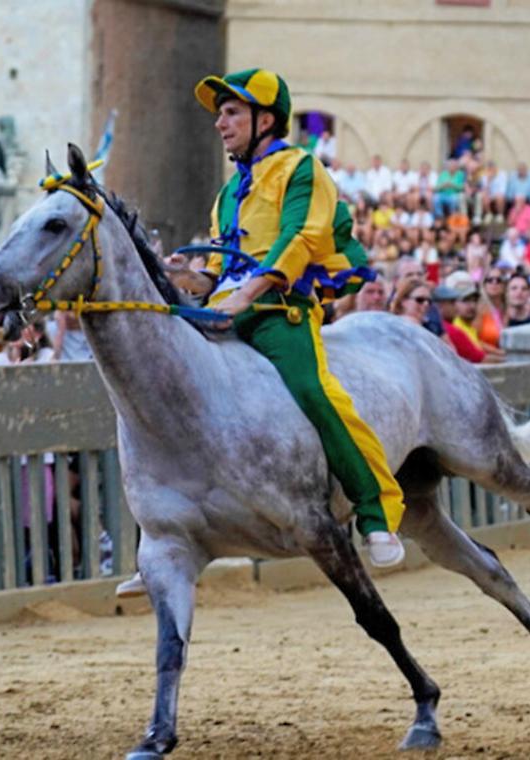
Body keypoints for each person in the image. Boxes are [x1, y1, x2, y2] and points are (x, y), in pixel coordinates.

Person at [168, 68, 408, 569]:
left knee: (315, 393)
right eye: (219, 114)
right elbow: (216, 270)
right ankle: (165, 536)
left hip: (280, 312)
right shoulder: (227, 193)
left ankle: (375, 511)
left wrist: (244, 297)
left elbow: (298, 240)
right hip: (225, 311)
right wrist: (188, 280)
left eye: (231, 112)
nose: (220, 124)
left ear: (265, 119)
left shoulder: (302, 168)